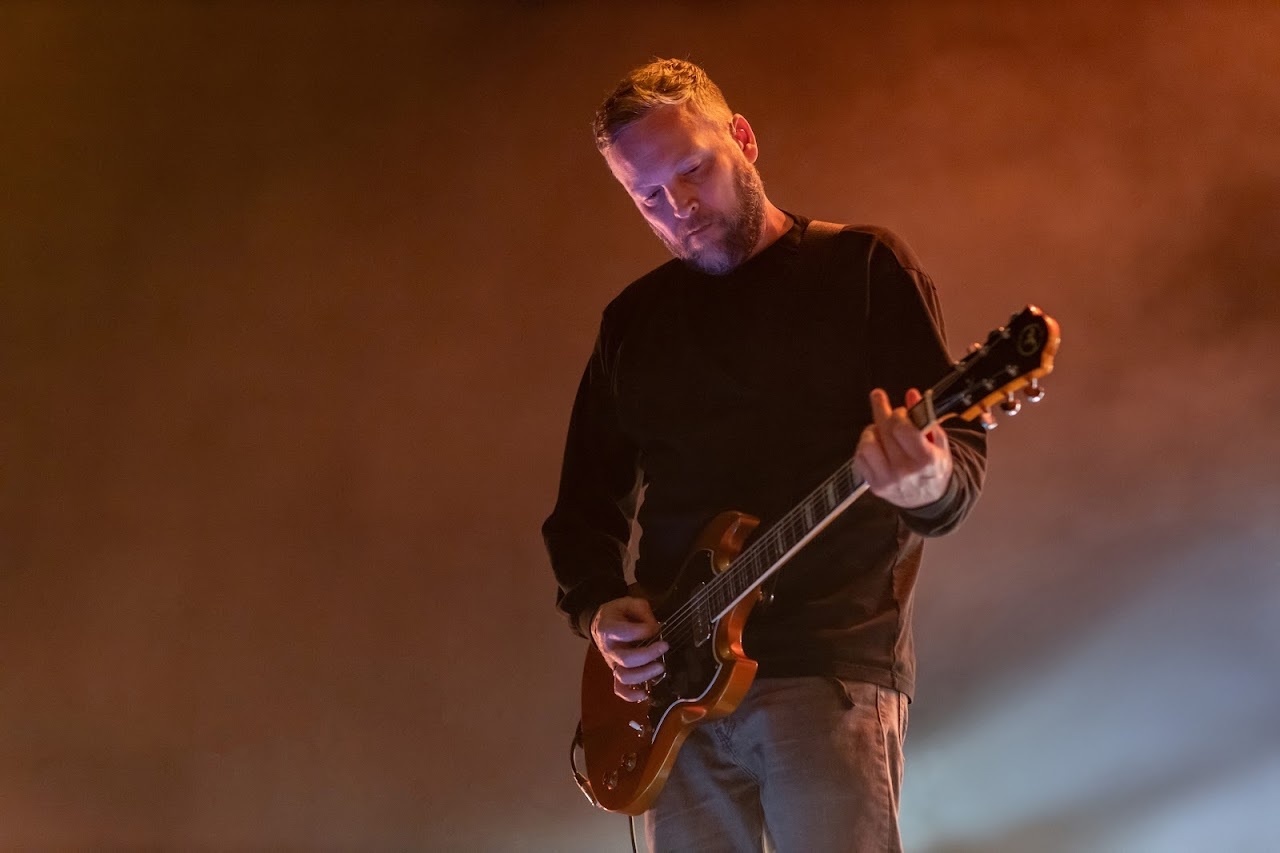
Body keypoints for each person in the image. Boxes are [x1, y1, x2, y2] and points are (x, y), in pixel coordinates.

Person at [543, 58, 987, 852]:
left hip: (825, 666)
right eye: (648, 196)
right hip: (673, 696)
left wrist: (928, 476)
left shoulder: (861, 267)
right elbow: (582, 508)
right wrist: (600, 605)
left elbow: (956, 461)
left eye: (692, 170)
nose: (679, 207)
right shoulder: (633, 323)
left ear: (742, 139)